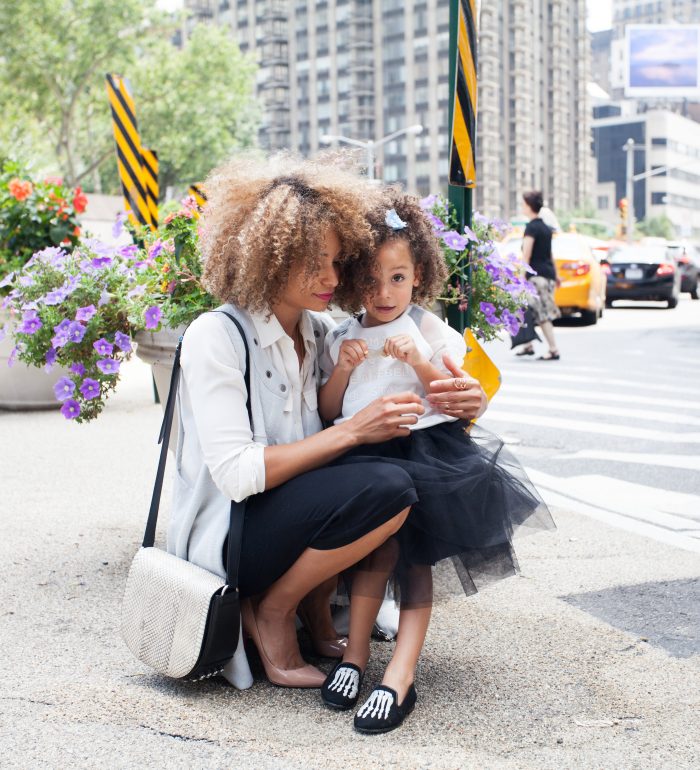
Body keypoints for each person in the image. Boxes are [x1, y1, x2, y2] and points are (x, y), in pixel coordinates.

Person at [166, 154, 487, 692]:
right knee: (386, 485)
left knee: (391, 484)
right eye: (314, 262)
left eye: (338, 263)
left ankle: (316, 615)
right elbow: (237, 475)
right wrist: (354, 430)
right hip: (233, 532)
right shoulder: (215, 335)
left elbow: (414, 380)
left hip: (293, 518)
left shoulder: (320, 334)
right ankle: (272, 609)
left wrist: (470, 400)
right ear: (270, 257)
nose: (331, 278)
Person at [317, 189, 554, 734]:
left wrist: (420, 362)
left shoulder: (428, 329)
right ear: (355, 279)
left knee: (413, 560)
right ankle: (354, 657)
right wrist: (343, 372)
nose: (383, 292)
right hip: (361, 454)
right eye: (372, 279)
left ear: (418, 275)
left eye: (397, 278)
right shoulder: (343, 334)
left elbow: (455, 394)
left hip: (424, 455)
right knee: (370, 556)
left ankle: (400, 672)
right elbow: (330, 410)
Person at [517, 190, 561, 360]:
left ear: (529, 206)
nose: (522, 207)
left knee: (541, 313)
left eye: (523, 204)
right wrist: (556, 276)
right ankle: (528, 344)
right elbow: (550, 255)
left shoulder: (531, 227)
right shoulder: (545, 228)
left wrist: (521, 278)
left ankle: (553, 349)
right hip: (547, 275)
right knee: (526, 309)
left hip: (536, 278)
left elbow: (526, 256)